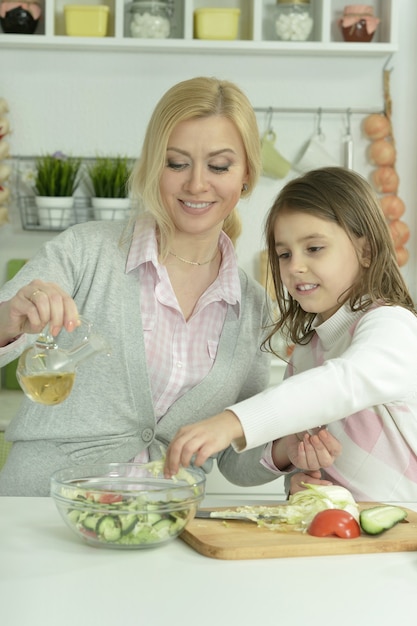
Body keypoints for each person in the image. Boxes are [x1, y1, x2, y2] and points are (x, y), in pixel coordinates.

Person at [0, 77, 335, 496]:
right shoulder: (85, 251)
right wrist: (10, 315)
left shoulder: (251, 307)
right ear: (153, 165)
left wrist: (286, 450)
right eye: (177, 163)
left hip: (158, 524)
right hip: (40, 512)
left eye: (218, 166)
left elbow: (232, 454)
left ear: (246, 174)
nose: (196, 184)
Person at [165, 166, 417, 502]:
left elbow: (341, 384)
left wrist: (231, 423)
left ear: (366, 252)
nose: (295, 266)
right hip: (351, 542)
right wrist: (301, 483)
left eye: (314, 249)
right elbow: (304, 466)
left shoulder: (392, 326)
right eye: (285, 254)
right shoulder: (305, 353)